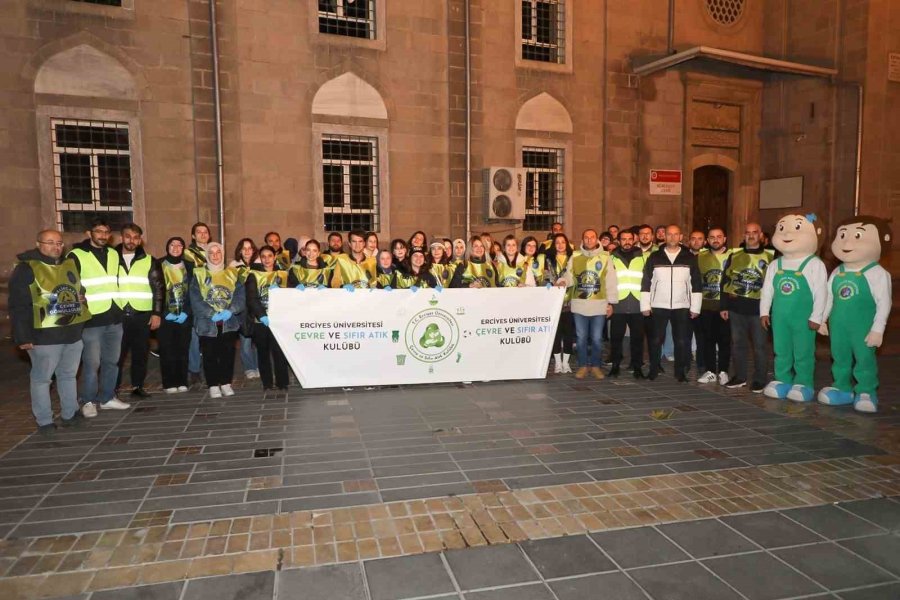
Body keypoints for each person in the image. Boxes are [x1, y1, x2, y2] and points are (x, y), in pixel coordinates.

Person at [9, 229, 91, 435]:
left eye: (59, 243)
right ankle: (44, 420)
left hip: (72, 333)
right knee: (42, 379)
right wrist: (23, 336)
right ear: (39, 244)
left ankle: (70, 413)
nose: (56, 246)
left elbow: (76, 290)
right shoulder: (26, 268)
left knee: (68, 375)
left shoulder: (69, 264)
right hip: (44, 337)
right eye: (50, 242)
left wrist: (81, 297)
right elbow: (18, 305)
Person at [68, 217, 129, 414]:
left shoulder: (113, 253)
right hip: (91, 318)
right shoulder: (76, 255)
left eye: (106, 232)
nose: (103, 236)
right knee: (92, 363)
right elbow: (70, 284)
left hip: (114, 315)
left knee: (112, 360)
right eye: (98, 231)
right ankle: (87, 400)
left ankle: (107, 397)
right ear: (89, 233)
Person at [641, 225, 702, 382]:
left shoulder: (689, 258)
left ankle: (680, 372)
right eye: (670, 234)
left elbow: (696, 283)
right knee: (655, 339)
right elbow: (646, 282)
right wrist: (645, 306)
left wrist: (695, 307)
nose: (673, 237)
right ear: (664, 236)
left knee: (681, 340)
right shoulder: (654, 257)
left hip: (681, 306)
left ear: (681, 237)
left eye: (676, 235)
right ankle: (654, 369)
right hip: (658, 305)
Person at [720, 222, 774, 391]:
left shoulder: (771, 257)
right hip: (736, 308)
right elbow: (725, 281)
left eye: (754, 232)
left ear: (761, 236)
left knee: (759, 346)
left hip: (759, 309)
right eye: (747, 233)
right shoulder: (734, 255)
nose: (751, 236)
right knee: (738, 344)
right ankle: (740, 376)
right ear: (743, 235)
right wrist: (724, 306)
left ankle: (759, 379)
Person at [189, 242, 246, 398]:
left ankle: (226, 383)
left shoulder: (233, 274)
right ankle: (213, 384)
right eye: (211, 253)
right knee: (209, 355)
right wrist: (209, 313)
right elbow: (195, 299)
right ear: (207, 256)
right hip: (207, 324)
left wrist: (231, 310)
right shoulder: (199, 275)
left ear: (222, 254)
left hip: (229, 323)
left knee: (228, 354)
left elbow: (241, 297)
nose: (215, 256)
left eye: (218, 252)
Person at [115, 223, 164, 399]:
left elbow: (158, 288)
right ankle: (113, 388)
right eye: (128, 236)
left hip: (142, 315)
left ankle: (137, 386)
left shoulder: (150, 260)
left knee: (140, 353)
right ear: (121, 237)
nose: (131, 240)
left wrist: (157, 313)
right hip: (118, 315)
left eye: (136, 237)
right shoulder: (111, 259)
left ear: (140, 240)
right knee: (116, 356)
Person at [566, 229, 618, 379]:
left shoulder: (605, 257)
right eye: (586, 237)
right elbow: (569, 275)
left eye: (592, 237)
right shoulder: (575, 256)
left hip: (599, 304)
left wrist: (611, 303)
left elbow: (611, 281)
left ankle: (595, 366)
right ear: (582, 240)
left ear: (597, 240)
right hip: (579, 303)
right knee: (581, 337)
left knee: (596, 338)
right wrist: (563, 281)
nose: (589, 240)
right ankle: (583, 365)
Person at [246, 246, 290, 391]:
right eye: (263, 256)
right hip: (261, 321)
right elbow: (251, 298)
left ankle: (282, 382)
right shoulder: (254, 275)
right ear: (260, 258)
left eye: (269, 256)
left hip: (279, 320)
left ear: (274, 257)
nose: (266, 259)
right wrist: (262, 315)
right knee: (263, 352)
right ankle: (267, 383)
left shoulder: (283, 275)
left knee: (279, 352)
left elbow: (291, 294)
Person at [696, 227, 732, 385]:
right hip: (706, 305)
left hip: (726, 306)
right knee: (707, 340)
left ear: (724, 239)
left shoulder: (734, 256)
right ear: (707, 240)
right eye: (712, 237)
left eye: (719, 236)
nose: (715, 240)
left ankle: (723, 371)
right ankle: (710, 370)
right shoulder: (700, 257)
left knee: (725, 340)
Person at [609, 230, 646, 379]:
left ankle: (637, 367)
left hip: (638, 303)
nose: (627, 242)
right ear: (618, 241)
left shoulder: (643, 257)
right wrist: (609, 303)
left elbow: (648, 280)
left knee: (637, 339)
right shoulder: (611, 258)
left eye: (630, 239)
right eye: (623, 239)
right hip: (618, 304)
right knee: (616, 338)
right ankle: (615, 366)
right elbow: (608, 282)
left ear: (634, 240)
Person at [158, 237, 193, 393]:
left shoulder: (190, 266)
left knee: (183, 349)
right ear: (167, 247)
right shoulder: (158, 264)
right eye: (172, 244)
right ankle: (169, 383)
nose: (176, 247)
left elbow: (194, 291)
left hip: (184, 315)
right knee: (167, 350)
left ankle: (182, 381)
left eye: (179, 245)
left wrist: (187, 312)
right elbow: (155, 290)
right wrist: (163, 313)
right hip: (166, 316)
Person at [184, 222, 211, 386]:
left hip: (213, 297)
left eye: (205, 232)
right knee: (194, 337)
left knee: (210, 336)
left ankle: (210, 368)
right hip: (195, 297)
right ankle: (194, 370)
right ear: (193, 236)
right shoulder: (188, 253)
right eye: (198, 232)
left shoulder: (214, 250)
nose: (202, 234)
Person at [230, 238, 260, 381]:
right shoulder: (233, 266)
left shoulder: (259, 264)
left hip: (257, 307)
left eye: (250, 248)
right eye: (244, 248)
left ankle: (260, 366)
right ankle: (249, 367)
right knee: (246, 340)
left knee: (259, 340)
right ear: (239, 250)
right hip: (242, 308)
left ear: (254, 250)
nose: (247, 251)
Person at [545, 233, 575, 373]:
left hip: (570, 302)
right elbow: (544, 280)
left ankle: (566, 363)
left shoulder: (573, 258)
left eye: (563, 242)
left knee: (568, 334)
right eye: (557, 242)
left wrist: (566, 282)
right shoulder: (549, 260)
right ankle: (557, 363)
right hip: (554, 303)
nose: (560, 245)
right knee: (556, 334)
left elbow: (576, 277)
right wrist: (551, 285)